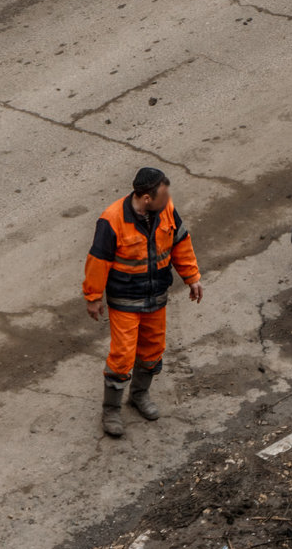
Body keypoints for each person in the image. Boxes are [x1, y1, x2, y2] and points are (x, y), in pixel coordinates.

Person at [83, 167, 203, 437]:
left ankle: (138, 396)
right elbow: (98, 261)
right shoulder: (112, 220)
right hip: (125, 299)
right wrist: (93, 297)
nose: (169, 197)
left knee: (152, 351)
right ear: (147, 198)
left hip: (156, 298)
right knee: (123, 356)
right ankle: (111, 410)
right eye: (164, 193)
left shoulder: (166, 210)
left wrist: (192, 277)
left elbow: (180, 242)